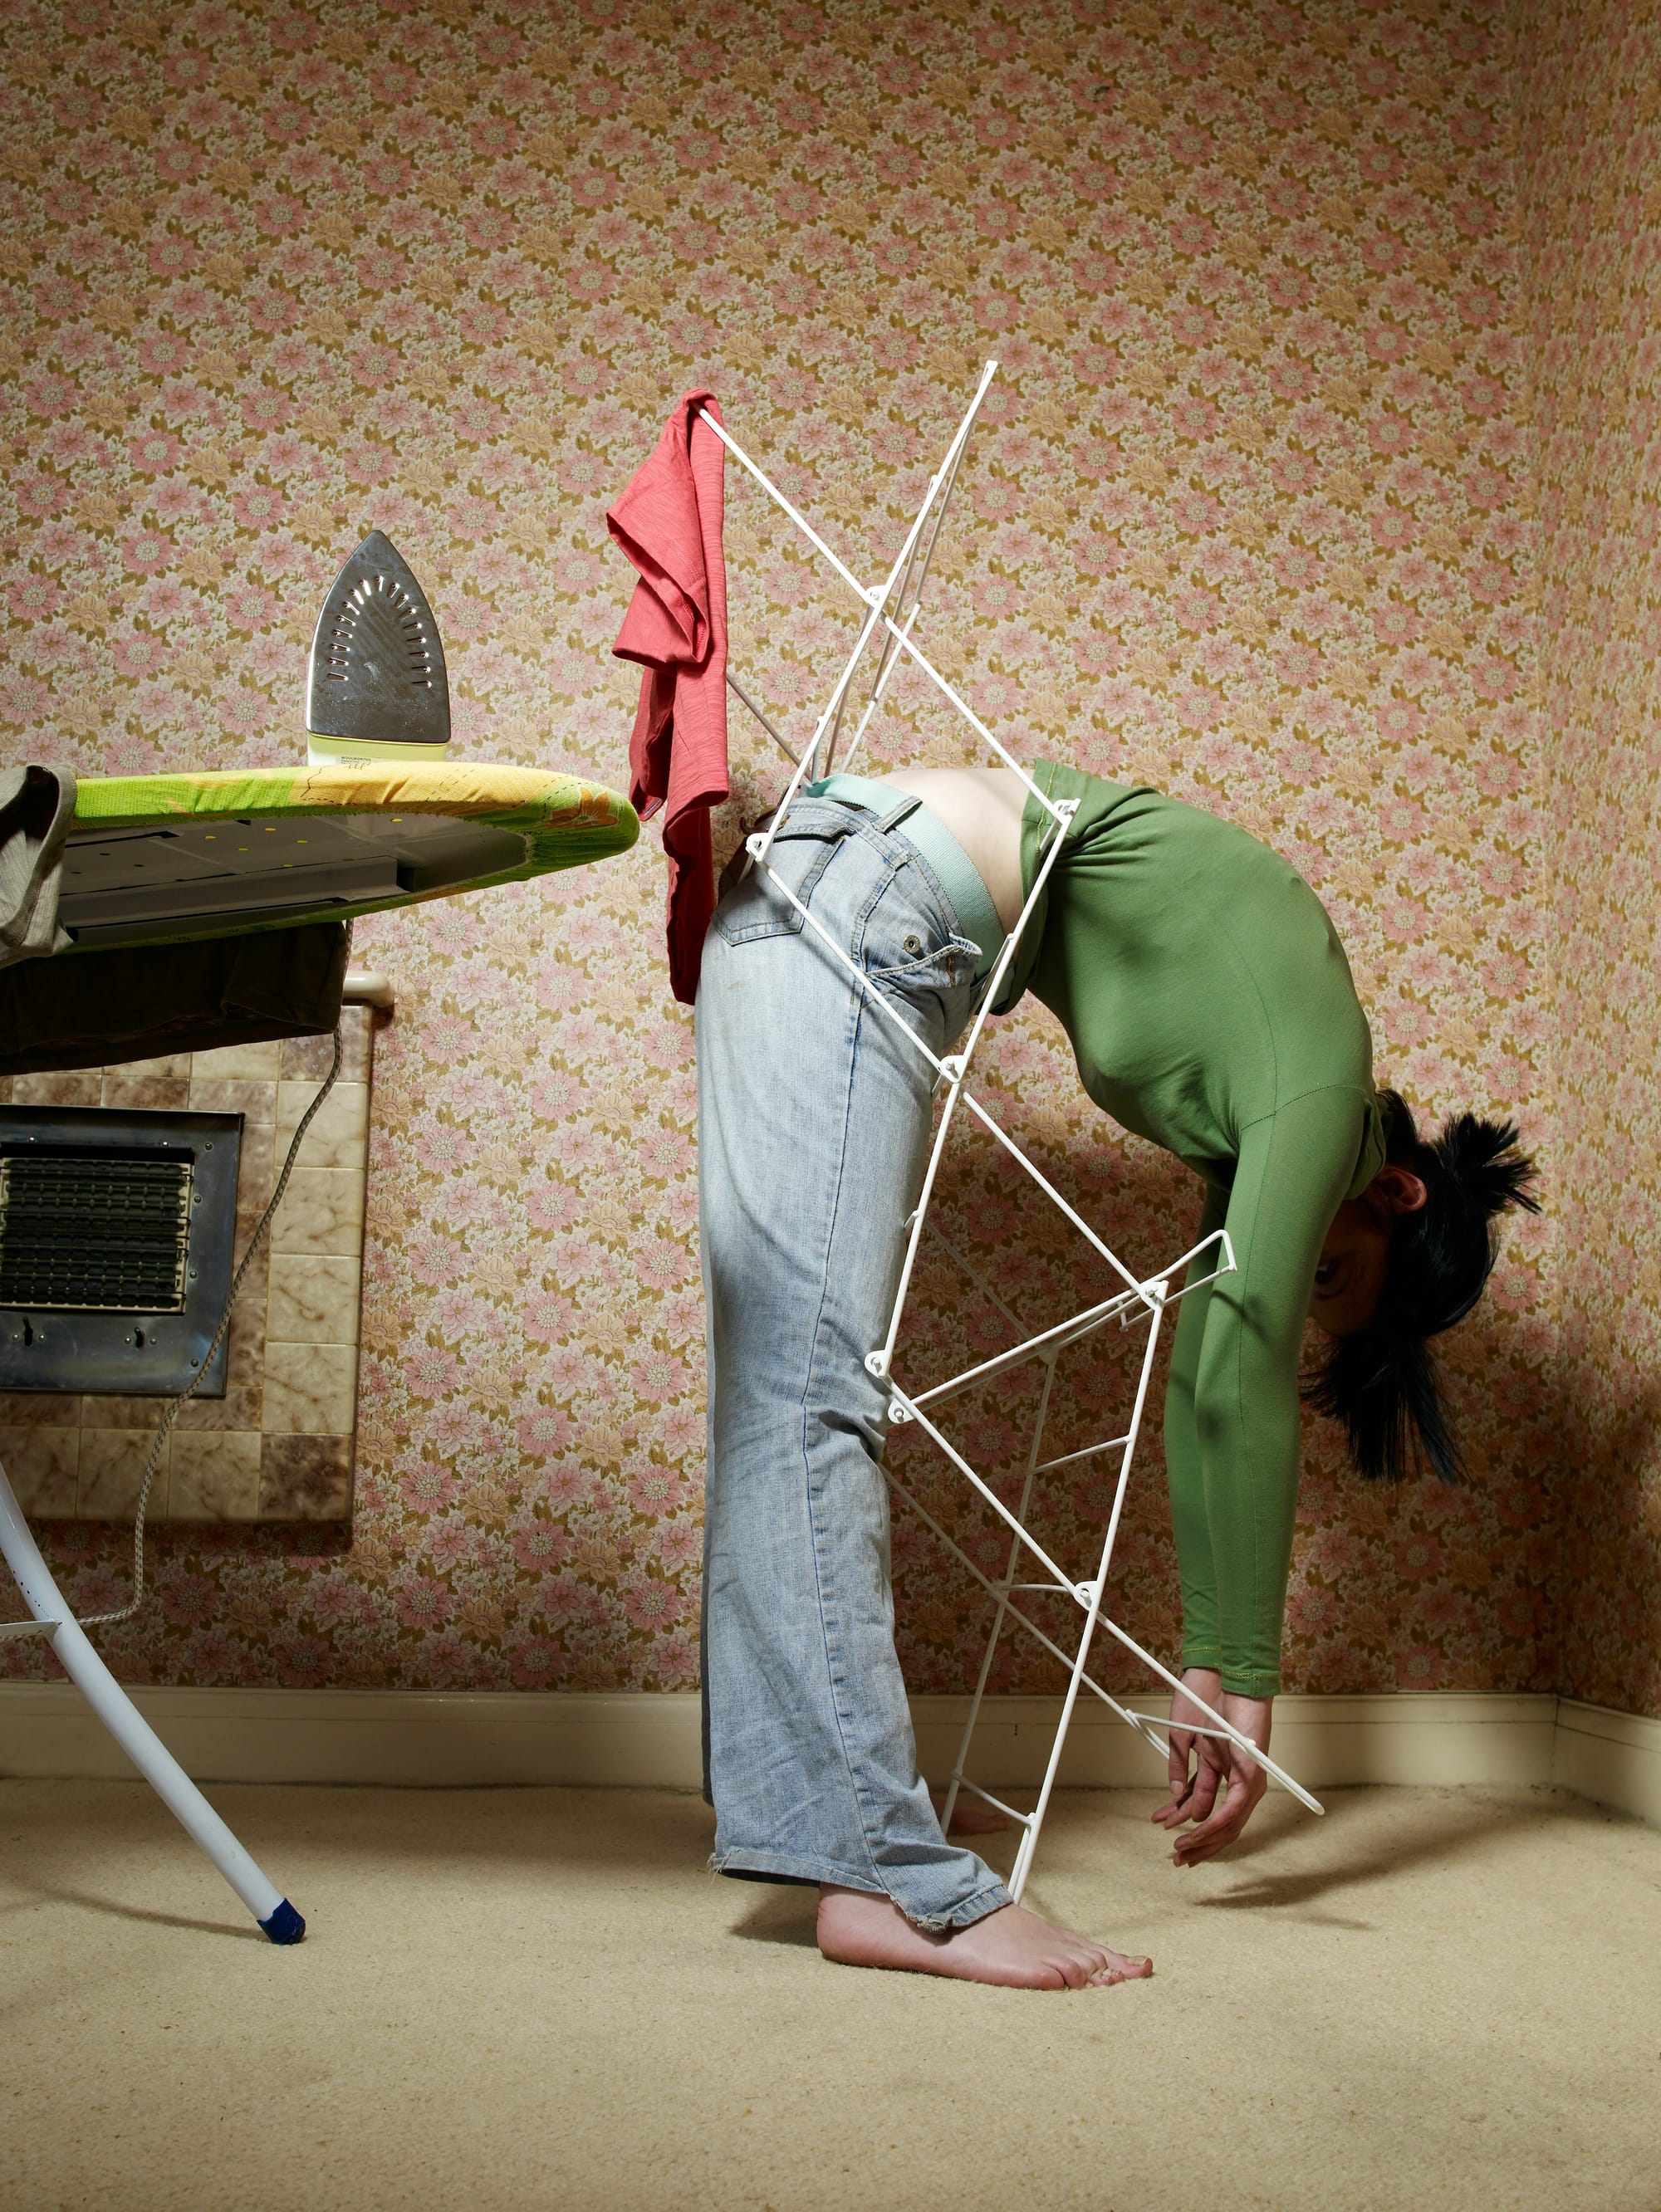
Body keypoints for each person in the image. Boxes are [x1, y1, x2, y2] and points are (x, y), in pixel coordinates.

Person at [695, 760, 1539, 1990]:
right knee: (804, 1395)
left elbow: (1205, 1368)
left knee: (779, 1387)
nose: (1301, 1273)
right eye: (1330, 1277)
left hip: (820, 884)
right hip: (861, 895)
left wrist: (1206, 1655)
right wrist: (1247, 1673)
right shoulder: (1318, 1084)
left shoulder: (1250, 1112)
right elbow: (1241, 1346)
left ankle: (846, 1831)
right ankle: (886, 1877)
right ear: (1396, 1192)